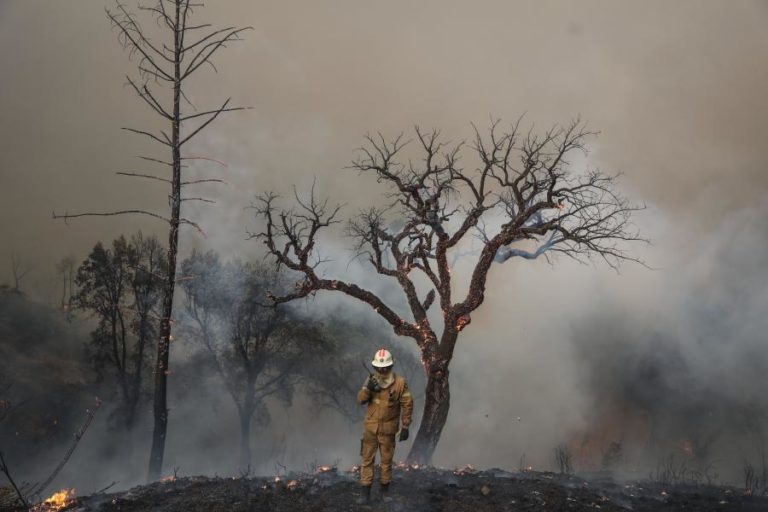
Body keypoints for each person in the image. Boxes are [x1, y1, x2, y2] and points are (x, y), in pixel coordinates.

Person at [356, 348, 413, 504]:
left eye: (385, 367)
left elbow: (407, 404)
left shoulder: (400, 383)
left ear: (391, 366)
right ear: (375, 367)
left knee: (386, 462)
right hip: (371, 429)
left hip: (388, 430)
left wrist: (406, 426)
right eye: (380, 368)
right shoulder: (370, 380)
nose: (383, 370)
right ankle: (365, 495)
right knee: (367, 461)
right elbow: (360, 400)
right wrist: (368, 390)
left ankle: (384, 493)